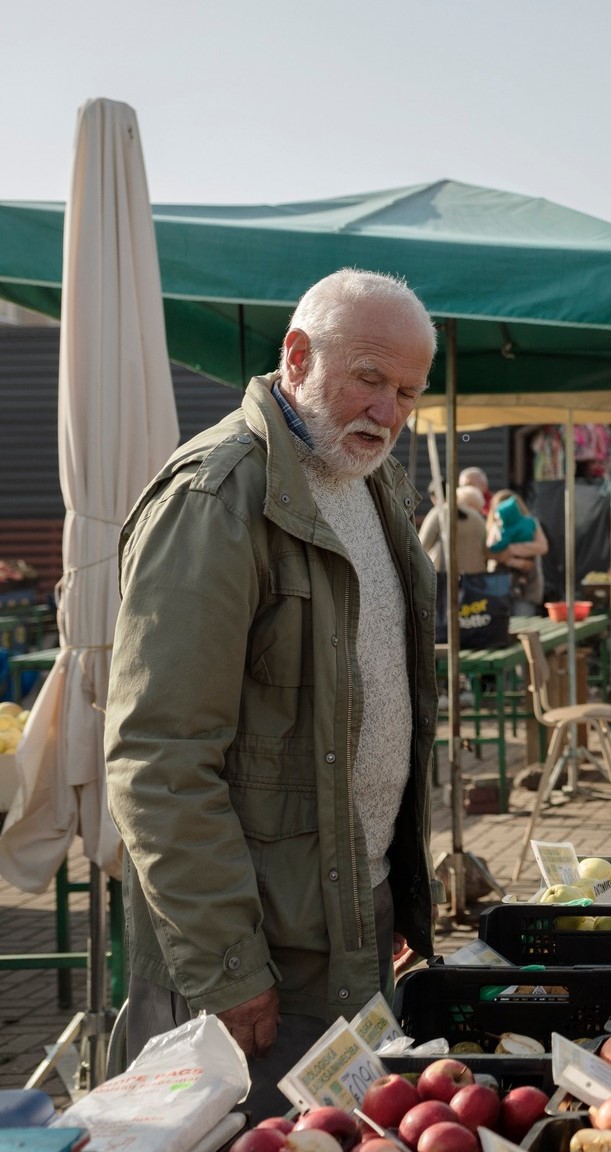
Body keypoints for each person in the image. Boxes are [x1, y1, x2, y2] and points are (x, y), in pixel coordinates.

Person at [105, 269, 440, 1116]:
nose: (389, 412)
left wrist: (389, 891)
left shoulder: (374, 483)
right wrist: (228, 964)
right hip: (248, 956)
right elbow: (158, 758)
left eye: (408, 390)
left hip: (346, 923)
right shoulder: (216, 499)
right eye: (370, 376)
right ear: (296, 356)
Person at [487, 491, 550, 618]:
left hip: (526, 585)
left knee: (523, 621)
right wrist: (513, 559)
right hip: (501, 584)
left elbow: (542, 547)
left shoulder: (530, 523)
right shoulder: (496, 527)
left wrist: (512, 548)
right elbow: (492, 553)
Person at [417, 485, 489, 575]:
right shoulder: (479, 519)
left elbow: (421, 546)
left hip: (445, 577)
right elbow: (487, 550)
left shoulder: (439, 513)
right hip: (476, 579)